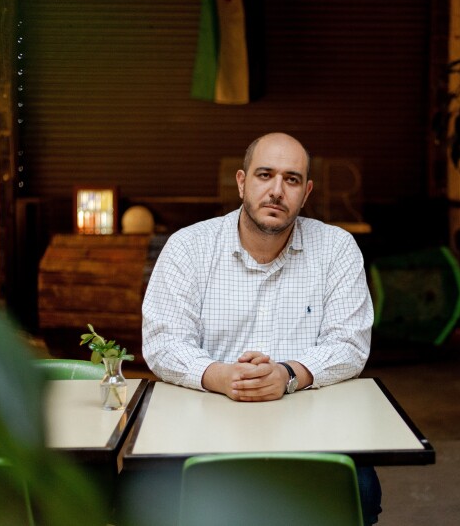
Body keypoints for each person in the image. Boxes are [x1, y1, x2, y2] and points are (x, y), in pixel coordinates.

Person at [141, 132, 381, 523]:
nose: (276, 190)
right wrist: (220, 376)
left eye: (291, 179)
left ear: (306, 193)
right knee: (142, 491)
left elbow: (349, 342)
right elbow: (163, 341)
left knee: (361, 489)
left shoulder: (336, 249)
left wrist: (288, 374)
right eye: (264, 175)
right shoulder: (188, 247)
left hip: (309, 427)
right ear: (241, 182)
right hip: (204, 425)